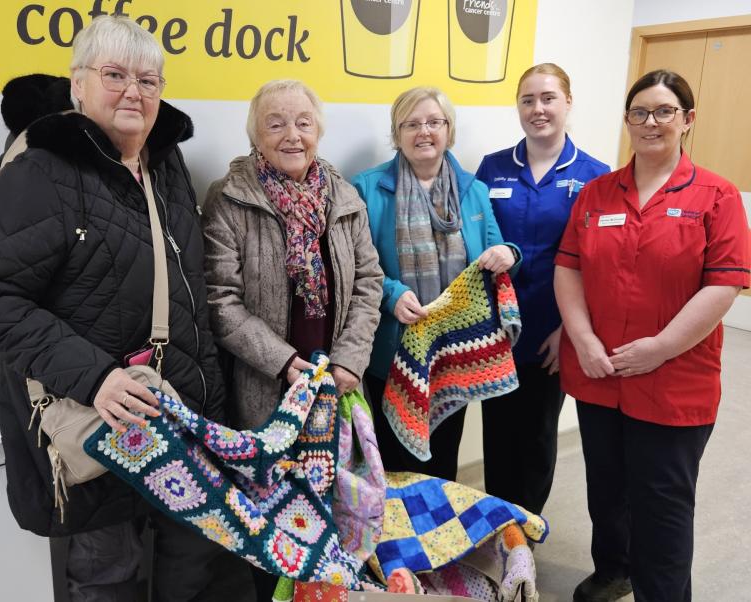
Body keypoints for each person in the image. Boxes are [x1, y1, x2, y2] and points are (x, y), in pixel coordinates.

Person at [0, 16, 234, 602]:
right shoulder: (42, 170)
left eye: (148, 80)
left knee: (191, 574)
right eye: (115, 75)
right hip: (97, 431)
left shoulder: (166, 165)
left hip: (178, 425)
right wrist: (96, 376)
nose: (134, 91)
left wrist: (211, 411)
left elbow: (189, 295)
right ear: (78, 84)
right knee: (109, 580)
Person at [554, 69, 750, 602]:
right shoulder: (597, 193)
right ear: (627, 120)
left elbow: (725, 285)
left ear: (688, 120)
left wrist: (659, 348)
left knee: (662, 506)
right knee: (606, 489)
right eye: (639, 112)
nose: (650, 122)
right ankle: (613, 570)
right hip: (600, 373)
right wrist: (584, 339)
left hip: (674, 380)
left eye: (664, 111)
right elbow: (568, 268)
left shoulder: (716, 195)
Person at [201, 79, 383, 601]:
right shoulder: (230, 197)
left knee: (335, 515)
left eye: (303, 122)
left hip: (337, 387)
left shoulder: (343, 195)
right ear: (255, 134)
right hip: (268, 392)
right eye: (275, 123)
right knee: (272, 525)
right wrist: (283, 362)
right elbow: (220, 300)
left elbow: (369, 282)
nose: (292, 135)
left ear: (318, 130)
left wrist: (350, 358)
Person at [352, 86, 520, 481]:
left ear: (449, 129)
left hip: (454, 353)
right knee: (393, 466)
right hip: (393, 349)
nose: (424, 132)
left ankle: (440, 522)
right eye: (411, 124)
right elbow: (357, 266)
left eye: (434, 122)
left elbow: (496, 250)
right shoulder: (366, 188)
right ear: (397, 133)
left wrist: (510, 252)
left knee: (443, 463)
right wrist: (392, 295)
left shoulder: (474, 190)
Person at [475, 63, 609, 514]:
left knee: (536, 436)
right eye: (528, 100)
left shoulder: (594, 175)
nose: (538, 109)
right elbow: (476, 239)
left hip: (552, 331)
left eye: (548, 98)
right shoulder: (493, 168)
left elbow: (598, 264)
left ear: (567, 103)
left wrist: (570, 330)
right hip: (495, 331)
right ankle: (498, 526)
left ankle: (525, 533)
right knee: (497, 434)